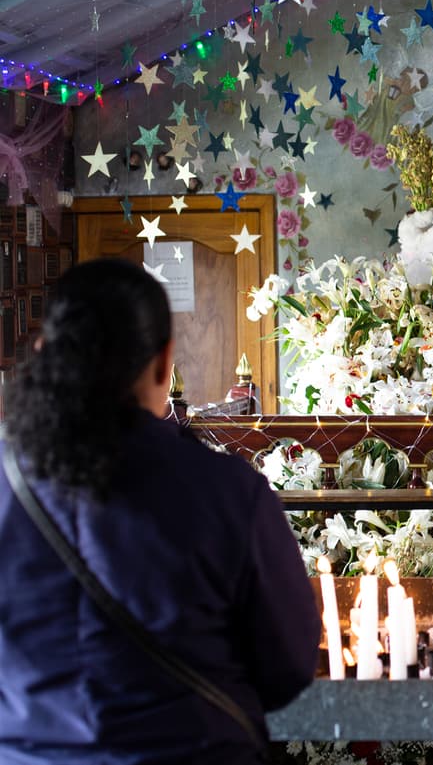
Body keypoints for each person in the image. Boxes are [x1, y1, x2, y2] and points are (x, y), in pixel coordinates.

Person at [0, 259, 320, 764]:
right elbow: (288, 667)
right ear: (163, 363)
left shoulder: (5, 485)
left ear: (44, 352)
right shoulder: (228, 491)